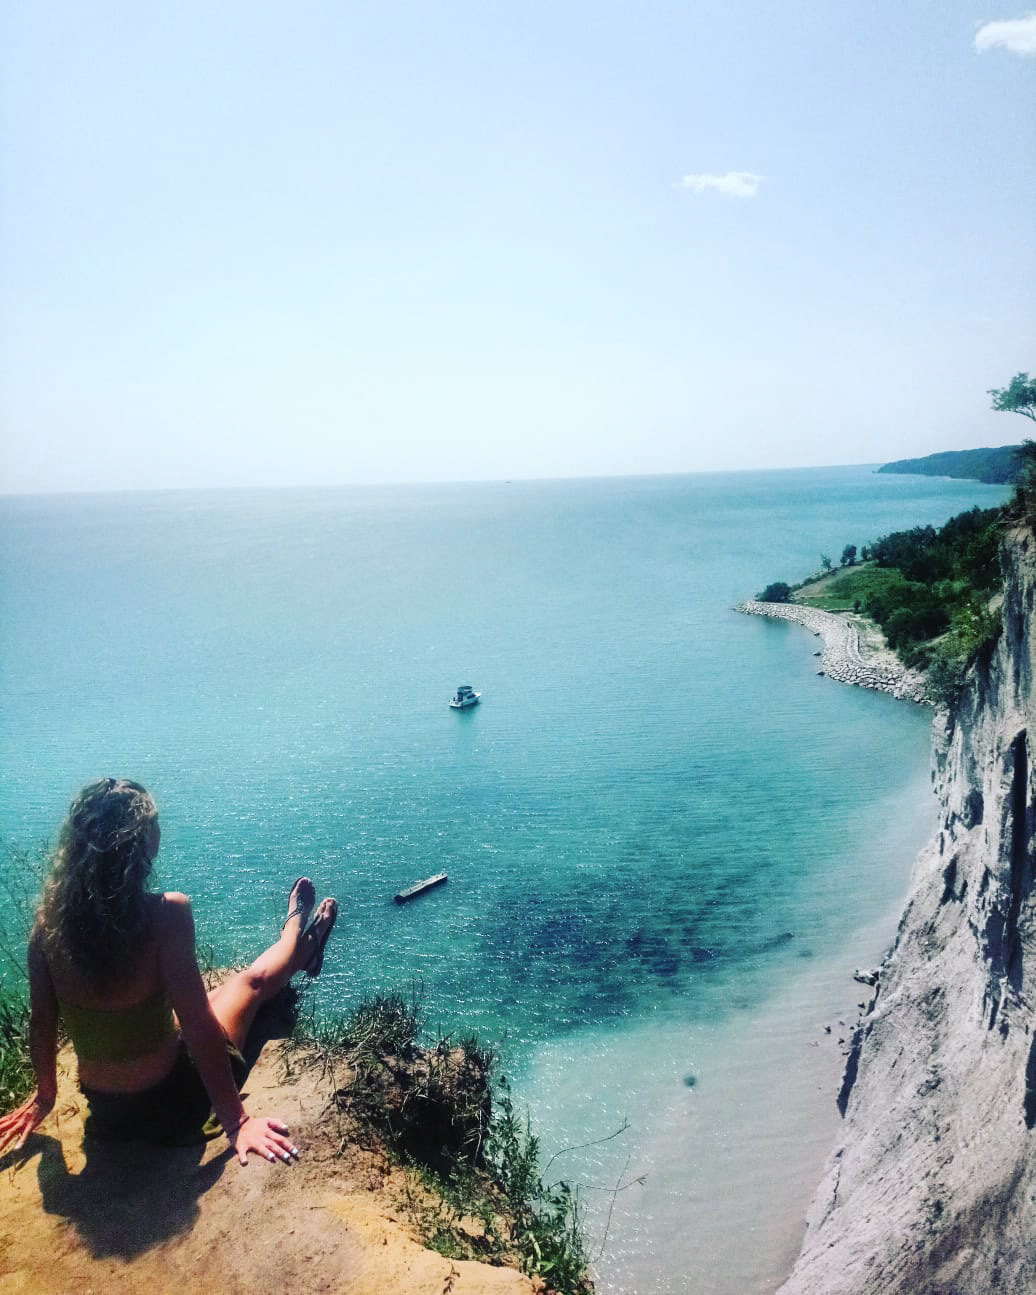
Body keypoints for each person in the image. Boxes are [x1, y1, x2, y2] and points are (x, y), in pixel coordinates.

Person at [0, 778, 339, 1164]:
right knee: (251, 983)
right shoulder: (167, 914)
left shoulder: (47, 926)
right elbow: (197, 1024)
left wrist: (44, 1097)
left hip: (109, 1115)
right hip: (175, 1100)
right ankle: (300, 938)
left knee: (213, 996)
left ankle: (302, 946)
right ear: (141, 842)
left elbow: (42, 1022)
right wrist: (237, 1121)